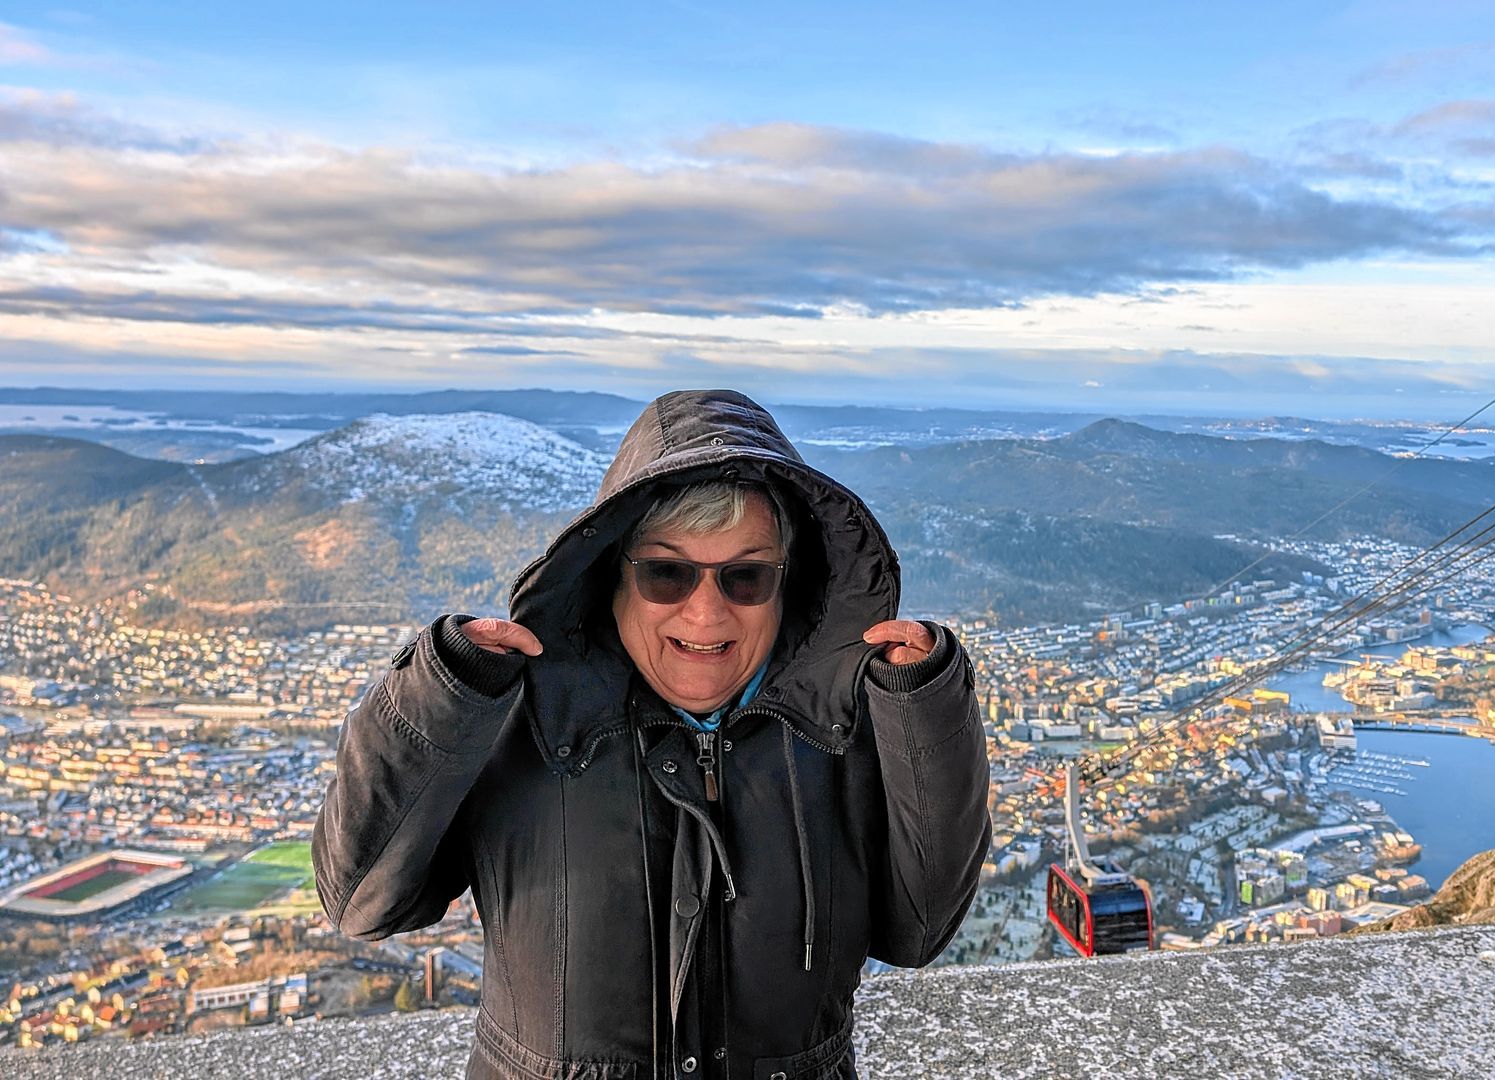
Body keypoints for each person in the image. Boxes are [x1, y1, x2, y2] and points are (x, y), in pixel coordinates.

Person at [311, 388, 992, 1080]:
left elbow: (919, 928)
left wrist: (926, 711)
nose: (706, 613)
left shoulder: (843, 727)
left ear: (789, 588)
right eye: (667, 573)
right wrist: (442, 690)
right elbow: (363, 899)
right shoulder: (525, 722)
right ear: (612, 580)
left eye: (746, 576)